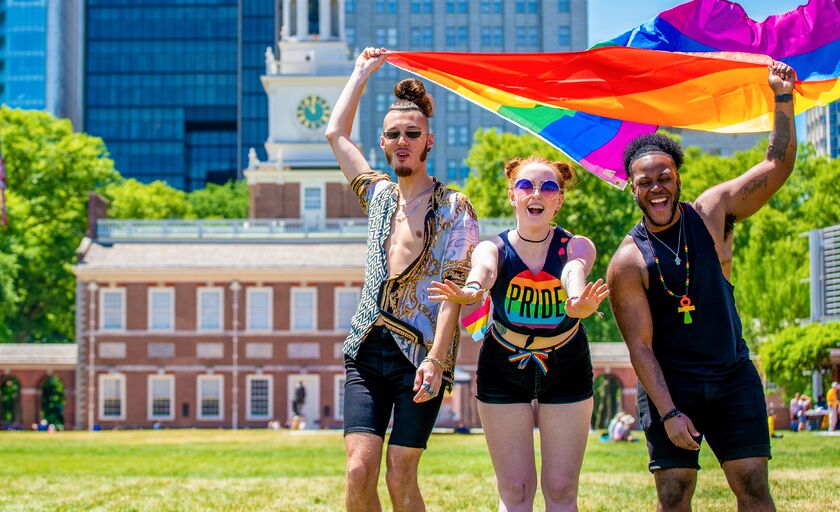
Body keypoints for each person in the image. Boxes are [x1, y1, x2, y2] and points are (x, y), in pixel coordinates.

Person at [606, 60, 796, 512]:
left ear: (679, 179)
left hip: (732, 375)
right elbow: (641, 348)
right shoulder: (627, 262)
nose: (656, 188)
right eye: (644, 181)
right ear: (632, 189)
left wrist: (782, 97)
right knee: (674, 493)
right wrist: (669, 412)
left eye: (664, 177)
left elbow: (777, 165)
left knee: (752, 485)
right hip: (672, 384)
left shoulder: (711, 214)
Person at [326, 47, 480, 512]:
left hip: (421, 355)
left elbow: (454, 292)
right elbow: (335, 132)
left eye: (413, 134)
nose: (403, 141)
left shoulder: (455, 207)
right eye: (394, 135)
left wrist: (436, 360)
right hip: (366, 351)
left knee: (400, 475)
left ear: (429, 141)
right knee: (358, 471)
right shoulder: (376, 195)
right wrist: (360, 72)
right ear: (384, 143)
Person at [430, 155, 608, 511]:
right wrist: (472, 291)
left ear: (559, 199)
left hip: (567, 363)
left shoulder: (576, 245)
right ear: (513, 195)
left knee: (560, 490)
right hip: (503, 367)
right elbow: (483, 271)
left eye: (548, 187)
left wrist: (576, 302)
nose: (536, 193)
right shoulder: (492, 248)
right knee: (515, 489)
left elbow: (574, 270)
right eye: (526, 186)